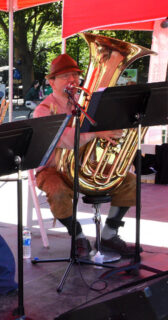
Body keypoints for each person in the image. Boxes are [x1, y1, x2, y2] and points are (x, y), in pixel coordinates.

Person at [34, 54, 137, 259]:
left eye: (75, 75)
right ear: (51, 82)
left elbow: (104, 128)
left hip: (84, 167)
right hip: (52, 169)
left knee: (129, 181)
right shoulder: (43, 110)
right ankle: (78, 236)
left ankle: (109, 234)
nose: (72, 80)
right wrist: (94, 134)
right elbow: (60, 139)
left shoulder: (88, 105)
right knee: (57, 192)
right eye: (65, 76)